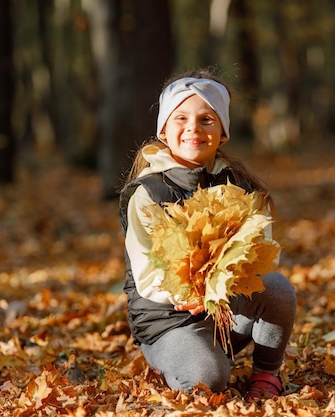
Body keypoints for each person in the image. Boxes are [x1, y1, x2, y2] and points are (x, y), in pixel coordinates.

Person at [118, 69, 297, 401]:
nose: (193, 129)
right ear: (164, 130)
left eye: (206, 120)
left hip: (224, 311)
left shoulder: (240, 185)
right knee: (209, 379)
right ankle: (178, 360)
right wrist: (185, 291)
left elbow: (262, 251)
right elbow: (146, 276)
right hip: (167, 319)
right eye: (181, 118)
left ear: (223, 131)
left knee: (277, 288)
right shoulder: (147, 192)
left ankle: (266, 373)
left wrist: (227, 284)